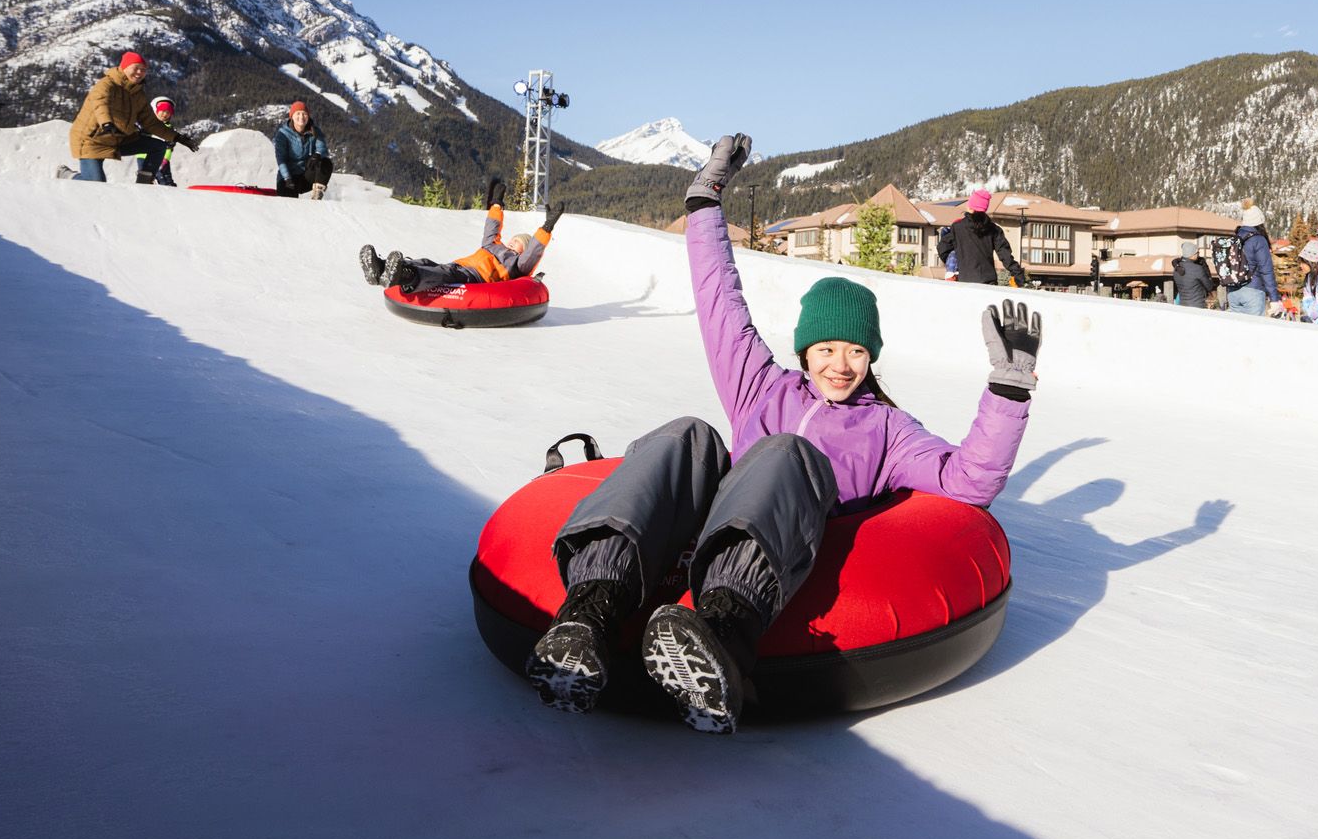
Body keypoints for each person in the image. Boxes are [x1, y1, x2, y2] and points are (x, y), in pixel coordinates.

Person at [522, 134, 1040, 734]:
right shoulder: (761, 388)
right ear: (804, 350)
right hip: (712, 523)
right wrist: (704, 201)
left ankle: (719, 640)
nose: (839, 365)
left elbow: (967, 482)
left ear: (872, 356)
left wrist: (1008, 388)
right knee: (688, 434)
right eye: (825, 349)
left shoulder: (889, 430)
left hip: (777, 553)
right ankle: (588, 616)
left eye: (855, 351)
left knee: (784, 453)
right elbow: (721, 300)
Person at [361, 178, 563, 294]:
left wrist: (546, 228)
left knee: (441, 276)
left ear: (523, 250)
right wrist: (496, 204)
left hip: (474, 277)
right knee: (427, 263)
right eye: (514, 238)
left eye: (518, 242)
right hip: (460, 265)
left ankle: (404, 275)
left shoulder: (517, 265)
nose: (512, 241)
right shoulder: (493, 245)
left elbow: (533, 254)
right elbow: (492, 228)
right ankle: (380, 267)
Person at [66, 51, 190, 181]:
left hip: (118, 138)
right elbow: (100, 104)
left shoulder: (137, 93)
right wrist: (107, 123)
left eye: (143, 70)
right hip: (92, 140)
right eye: (135, 68)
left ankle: (144, 182)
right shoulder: (106, 85)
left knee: (158, 146)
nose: (139, 73)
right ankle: (70, 176)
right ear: (124, 67)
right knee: (97, 183)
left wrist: (176, 137)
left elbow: (150, 122)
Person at [938, 189, 1027, 286]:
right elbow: (1005, 255)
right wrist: (1017, 274)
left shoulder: (958, 227)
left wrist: (957, 262)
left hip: (965, 281)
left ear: (971, 206)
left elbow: (942, 247)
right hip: (989, 281)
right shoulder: (994, 229)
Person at [1222, 203, 1277, 316]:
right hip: (1253, 291)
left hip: (1233, 291)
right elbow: (1266, 270)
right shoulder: (1258, 240)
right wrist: (1274, 298)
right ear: (1259, 222)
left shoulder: (1235, 238)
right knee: (1254, 330)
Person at [274, 100, 334, 199]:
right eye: (298, 114)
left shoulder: (314, 131)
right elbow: (281, 159)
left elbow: (322, 148)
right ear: (292, 116)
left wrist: (318, 155)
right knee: (289, 207)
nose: (301, 117)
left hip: (306, 176)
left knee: (326, 163)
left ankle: (317, 194)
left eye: (304, 114)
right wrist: (287, 178)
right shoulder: (283, 134)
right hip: (288, 178)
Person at [1170, 240, 1215, 308]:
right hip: (1198, 304)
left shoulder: (1177, 268)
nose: (1198, 254)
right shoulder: (1197, 268)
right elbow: (1209, 286)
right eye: (1197, 252)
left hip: (1182, 304)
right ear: (1192, 254)